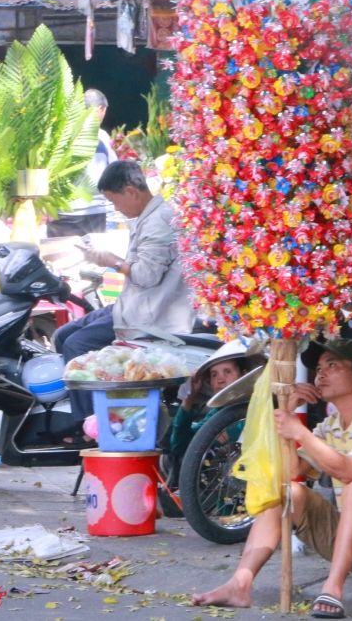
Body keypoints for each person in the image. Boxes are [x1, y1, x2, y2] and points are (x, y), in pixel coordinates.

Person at [192, 338, 352, 618]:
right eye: (318, 368)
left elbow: (349, 471)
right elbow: (292, 472)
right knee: (287, 493)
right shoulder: (330, 426)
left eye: (332, 365)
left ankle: (333, 588)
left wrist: (300, 432)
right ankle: (239, 584)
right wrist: (289, 413)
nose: (320, 374)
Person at [55, 160, 195, 428]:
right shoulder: (148, 216)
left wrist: (112, 261)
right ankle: (96, 411)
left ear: (131, 191)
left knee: (76, 345)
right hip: (131, 305)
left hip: (151, 315)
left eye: (114, 200)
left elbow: (146, 275)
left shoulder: (159, 221)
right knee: (62, 336)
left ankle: (90, 428)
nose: (116, 208)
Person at [170, 341, 262, 457]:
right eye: (214, 374)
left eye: (228, 372)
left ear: (244, 375)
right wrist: (188, 400)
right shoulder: (217, 413)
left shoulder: (258, 405)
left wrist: (226, 432)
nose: (220, 380)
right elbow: (180, 447)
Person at [84, 89, 118, 187]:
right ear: (99, 109)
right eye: (104, 111)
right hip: (100, 198)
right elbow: (114, 168)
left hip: (73, 200)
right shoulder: (101, 136)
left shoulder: (69, 133)